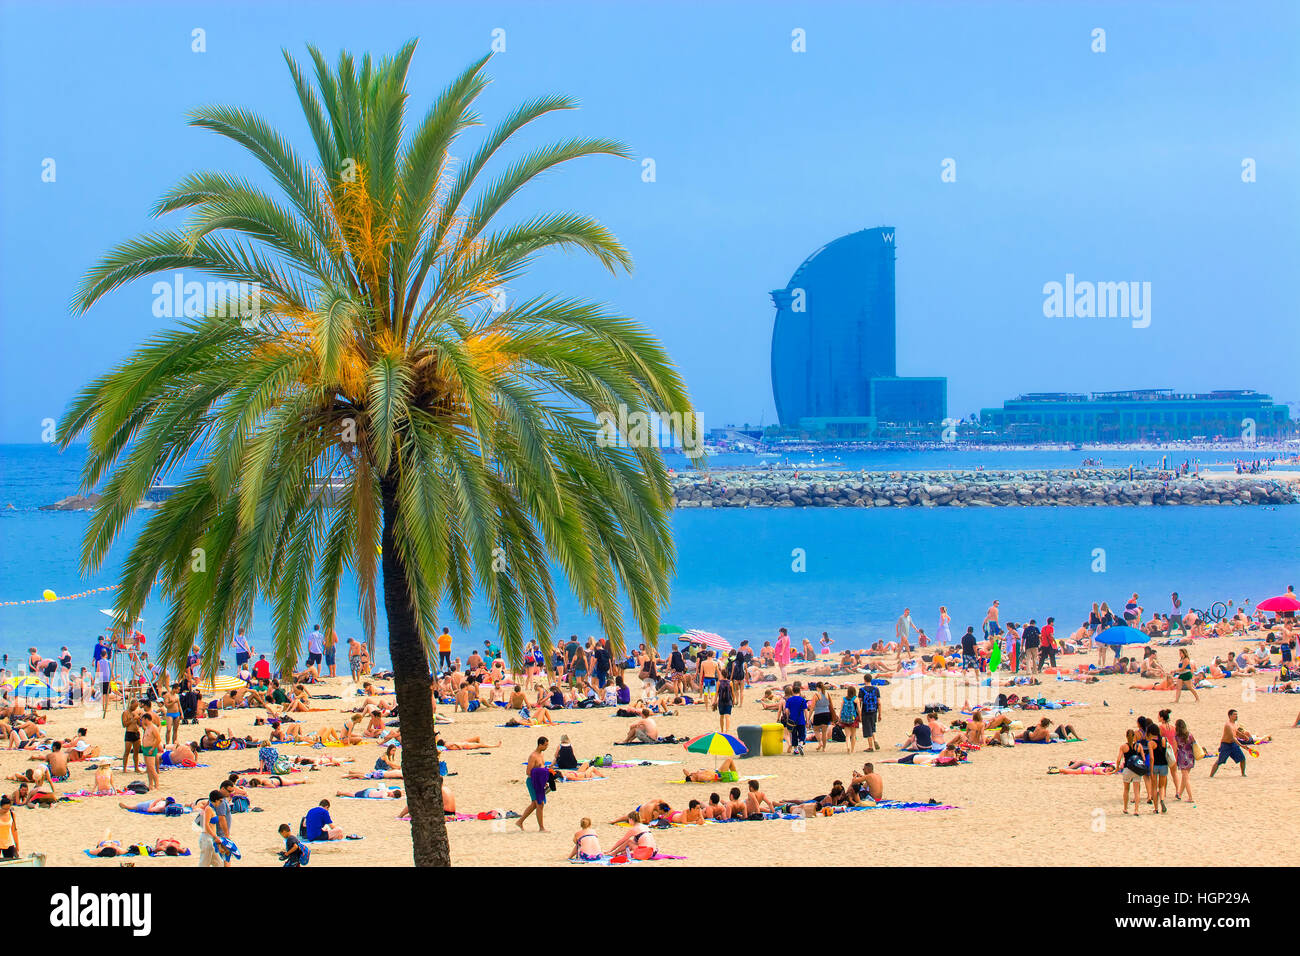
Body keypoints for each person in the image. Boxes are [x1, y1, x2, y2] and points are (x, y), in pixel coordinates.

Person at [516, 736, 551, 832]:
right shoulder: (533, 756)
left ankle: (520, 821)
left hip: (540, 782)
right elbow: (528, 771)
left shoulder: (541, 755)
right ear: (540, 745)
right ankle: (541, 828)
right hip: (533, 782)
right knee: (540, 804)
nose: (546, 747)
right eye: (545, 745)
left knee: (535, 804)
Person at [1208, 710, 1247, 778]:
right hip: (1226, 745)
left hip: (1233, 744)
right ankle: (1211, 776)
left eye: (1236, 714)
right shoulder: (1228, 725)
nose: (1236, 716)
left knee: (1242, 759)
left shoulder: (1234, 724)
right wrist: (1241, 745)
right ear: (1230, 716)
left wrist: (1243, 736)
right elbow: (1233, 737)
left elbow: (1236, 731)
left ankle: (1243, 774)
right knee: (1220, 761)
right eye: (1234, 714)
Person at [1118, 729, 1147, 815]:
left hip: (1127, 769)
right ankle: (1136, 810)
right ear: (1134, 736)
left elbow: (1119, 759)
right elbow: (1144, 758)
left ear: (1126, 737)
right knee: (1136, 791)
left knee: (1126, 789)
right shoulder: (1139, 746)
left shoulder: (1123, 747)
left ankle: (1125, 808)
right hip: (1136, 769)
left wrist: (1117, 768)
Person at [1172, 718, 1197, 805]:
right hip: (1190, 756)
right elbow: (1194, 744)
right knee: (1185, 777)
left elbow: (1175, 749)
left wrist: (1173, 759)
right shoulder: (1189, 735)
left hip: (1182, 757)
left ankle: (1190, 797)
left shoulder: (1176, 737)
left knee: (1185, 778)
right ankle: (1179, 794)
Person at [781, 681, 809, 755]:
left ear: (792, 692)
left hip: (792, 721)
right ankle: (801, 744)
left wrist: (787, 718)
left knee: (794, 735)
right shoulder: (803, 700)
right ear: (799, 691)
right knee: (802, 735)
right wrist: (807, 720)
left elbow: (786, 710)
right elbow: (805, 711)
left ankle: (796, 749)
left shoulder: (789, 700)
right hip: (801, 720)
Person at [199, 790, 224, 867]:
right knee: (204, 863)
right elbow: (206, 825)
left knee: (219, 863)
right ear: (216, 800)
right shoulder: (209, 809)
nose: (221, 803)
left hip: (210, 838)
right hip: (207, 838)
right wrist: (215, 837)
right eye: (220, 801)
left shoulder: (211, 809)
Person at [121, 699, 142, 773]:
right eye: (135, 706)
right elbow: (124, 724)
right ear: (131, 704)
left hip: (136, 733)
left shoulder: (137, 712)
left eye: (137, 706)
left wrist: (139, 718)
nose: (135, 708)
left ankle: (136, 768)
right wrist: (132, 719)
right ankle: (124, 768)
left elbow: (140, 724)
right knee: (127, 751)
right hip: (129, 733)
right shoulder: (125, 713)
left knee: (136, 752)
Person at [838, 686, 859, 753]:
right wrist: (860, 717)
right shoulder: (856, 699)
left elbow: (841, 709)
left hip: (845, 718)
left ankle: (848, 747)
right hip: (853, 718)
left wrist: (839, 717)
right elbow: (859, 709)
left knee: (847, 735)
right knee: (853, 735)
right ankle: (852, 750)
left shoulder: (844, 699)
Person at [0, 794, 18, 859]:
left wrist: (17, 845)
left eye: (8, 808)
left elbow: (14, 830)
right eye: (4, 809)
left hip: (8, 843)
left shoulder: (12, 814)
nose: (6, 811)